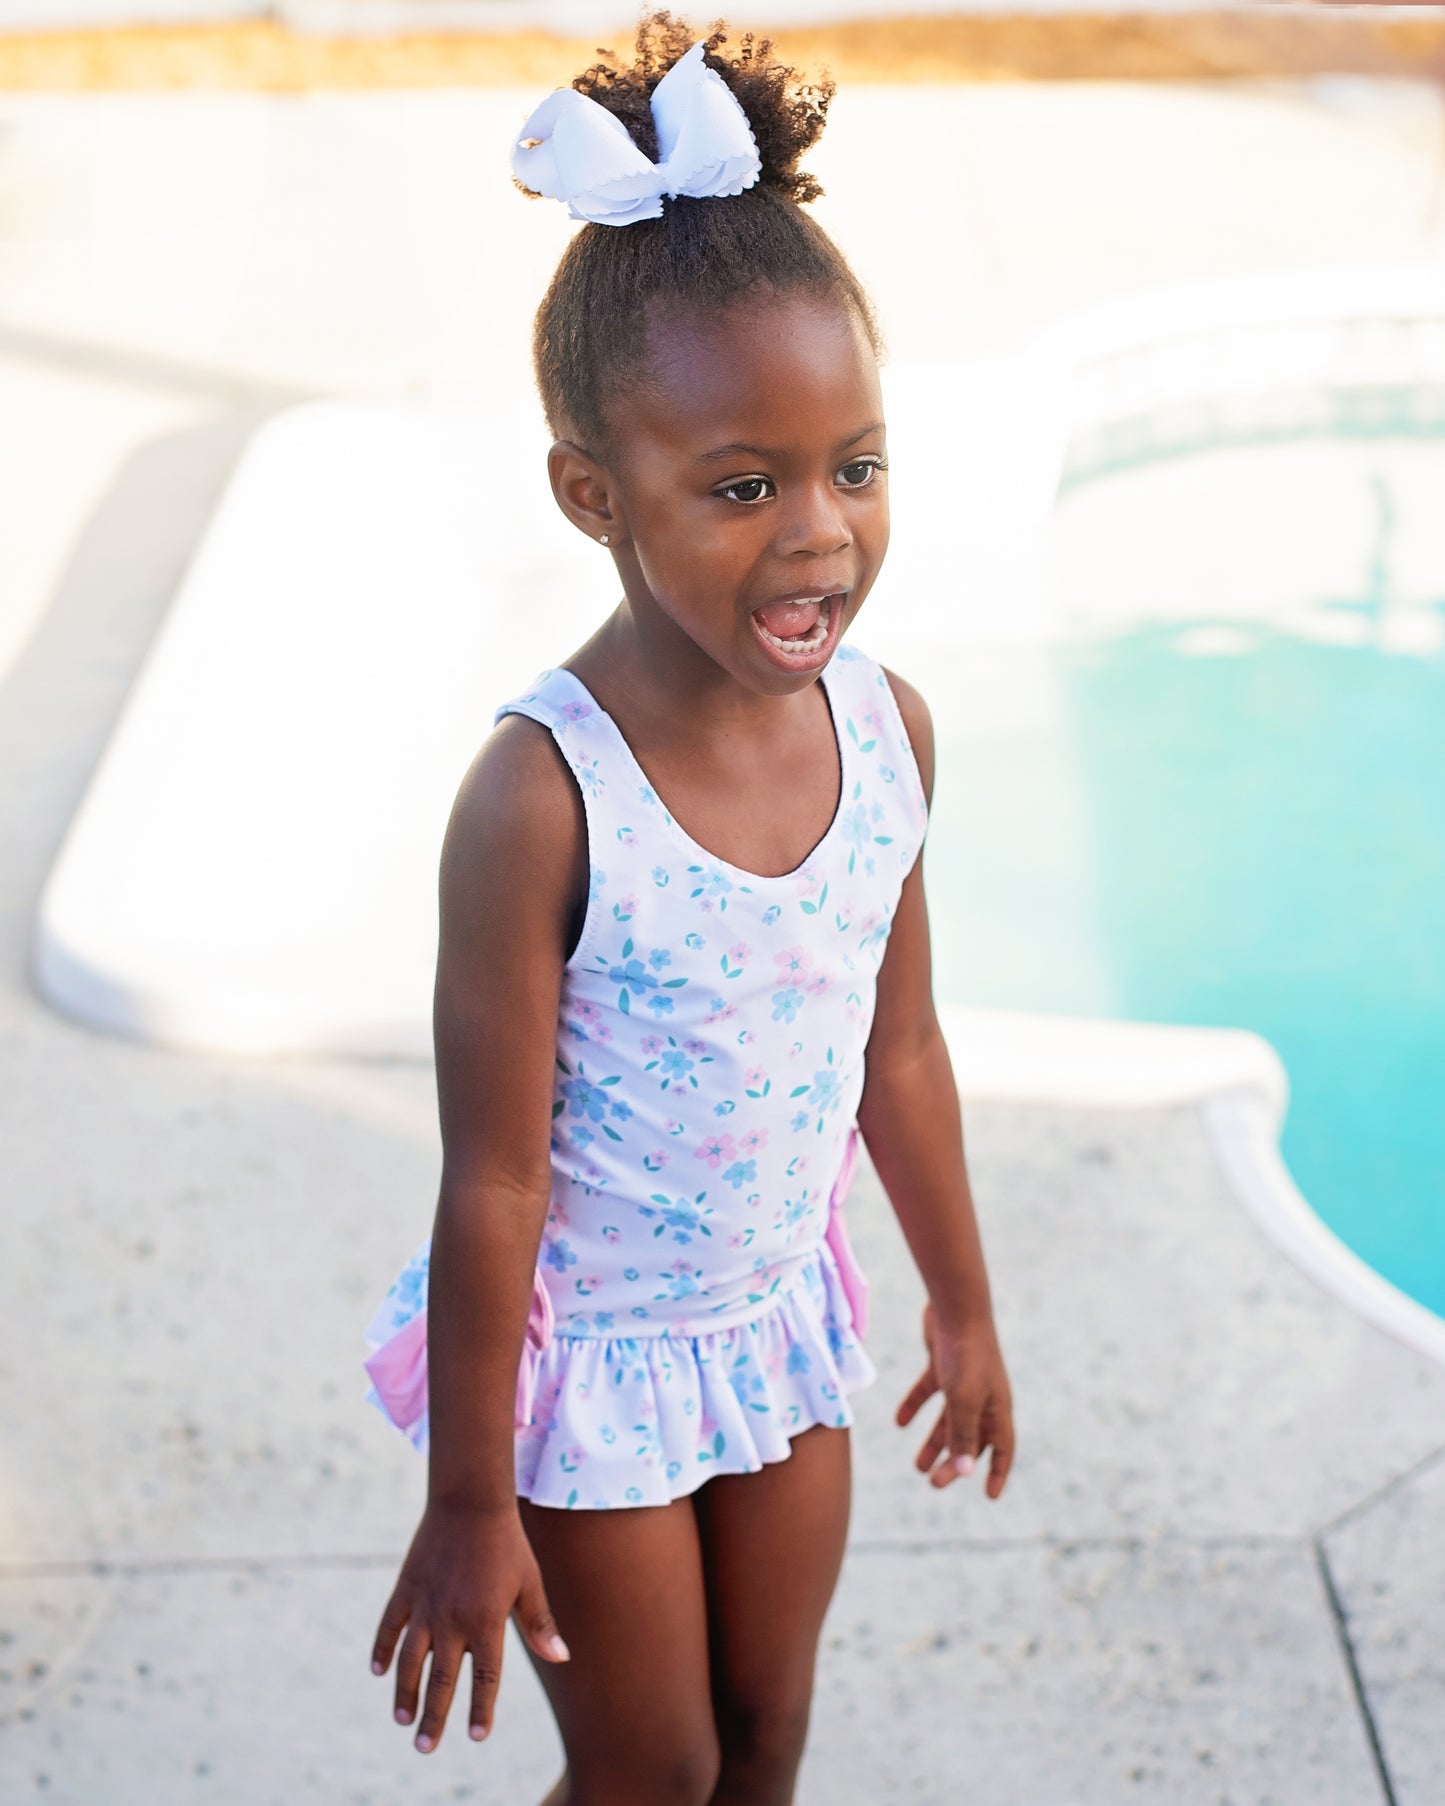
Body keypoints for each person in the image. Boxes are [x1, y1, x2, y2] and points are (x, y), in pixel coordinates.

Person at [365, 15, 1014, 1803]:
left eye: (853, 468)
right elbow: (488, 1178)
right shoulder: (539, 798)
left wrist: (959, 1304)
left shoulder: (886, 735)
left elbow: (899, 1049)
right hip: (591, 1383)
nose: (816, 533)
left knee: (766, 1739)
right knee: (647, 1777)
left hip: (776, 1330)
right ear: (596, 495)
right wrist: (468, 1494)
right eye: (741, 487)